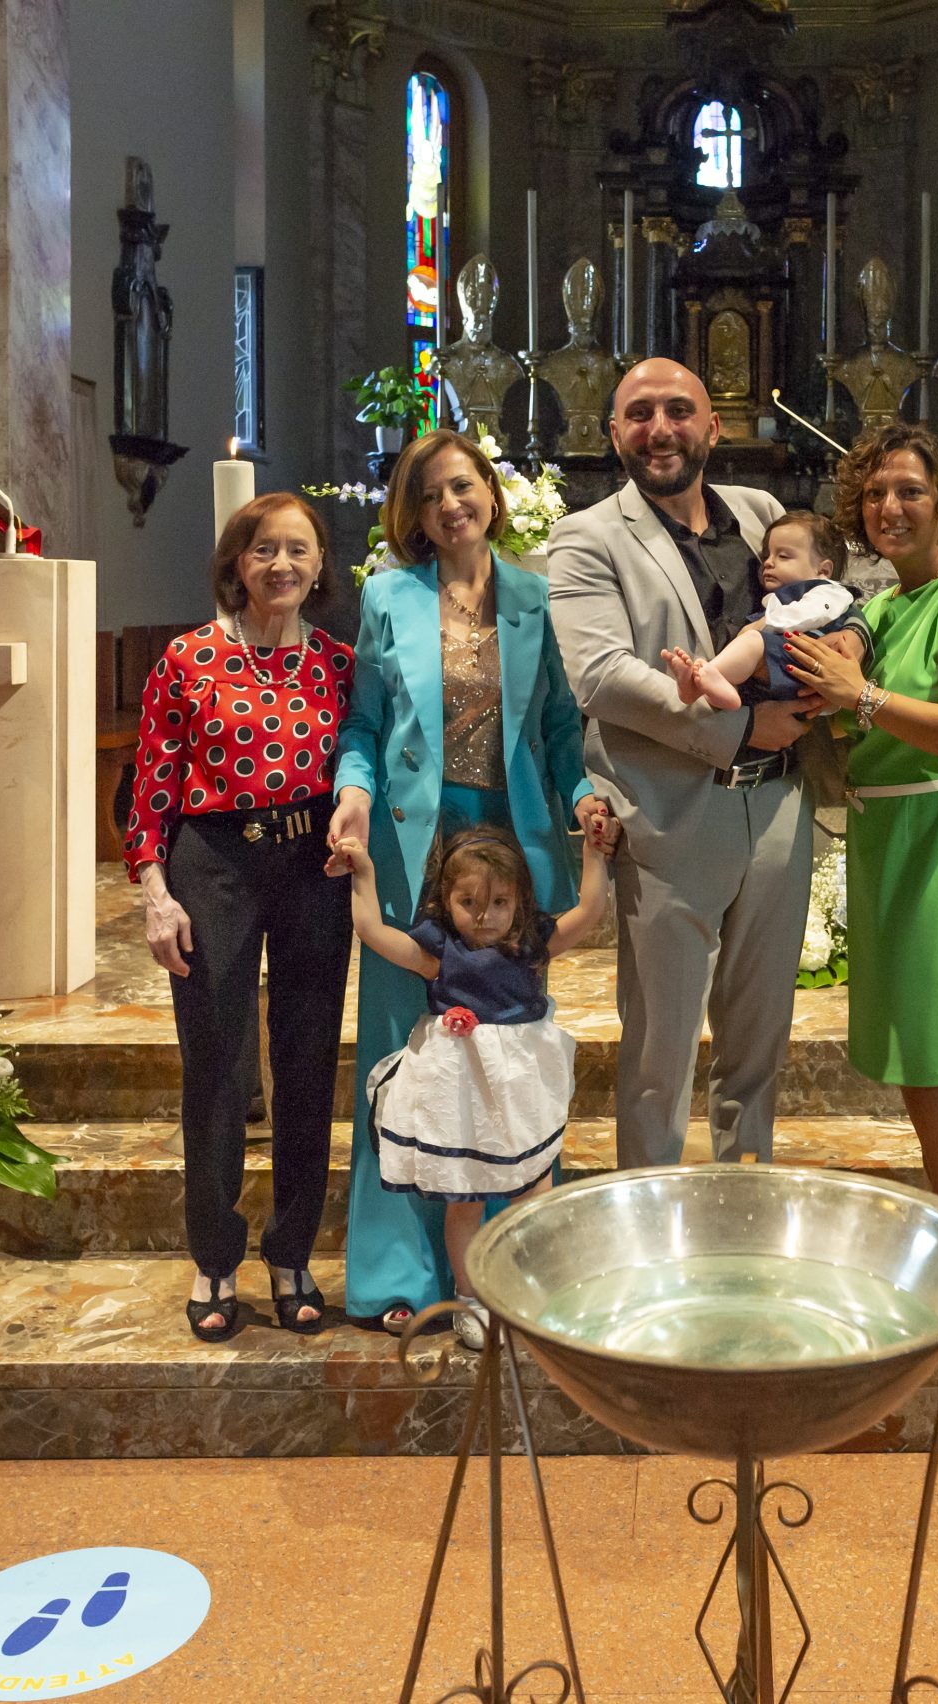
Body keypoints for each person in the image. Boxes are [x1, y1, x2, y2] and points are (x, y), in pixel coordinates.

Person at [326, 428, 614, 1331]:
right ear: (413, 516)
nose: (450, 505)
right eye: (430, 495)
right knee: (401, 1054)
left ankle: (509, 1267)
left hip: (510, 852)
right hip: (413, 844)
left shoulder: (533, 595)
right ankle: (400, 1274)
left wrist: (584, 794)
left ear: (491, 493)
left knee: (505, 1055)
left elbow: (559, 728)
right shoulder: (388, 594)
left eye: (463, 486)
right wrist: (352, 794)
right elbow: (363, 725)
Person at [548, 359, 815, 1169]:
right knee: (659, 1059)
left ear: (713, 426)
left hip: (779, 809)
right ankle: (648, 1224)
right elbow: (601, 676)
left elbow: (816, 612)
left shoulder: (760, 514)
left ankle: (746, 1203)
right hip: (667, 816)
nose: (659, 429)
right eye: (639, 414)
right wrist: (740, 729)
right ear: (614, 433)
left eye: (677, 410)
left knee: (759, 1042)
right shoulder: (587, 536)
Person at [780, 423, 938, 1215]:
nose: (891, 507)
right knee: (918, 1057)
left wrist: (860, 697)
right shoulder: (884, 606)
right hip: (888, 835)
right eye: (876, 492)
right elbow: (853, 712)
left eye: (911, 491)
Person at [126, 491, 355, 1341]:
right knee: (217, 1064)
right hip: (214, 862)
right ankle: (215, 1258)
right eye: (264, 550)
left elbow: (358, 763)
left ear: (320, 566)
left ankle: (291, 1251)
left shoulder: (338, 663)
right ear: (237, 563)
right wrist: (155, 891)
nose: (281, 565)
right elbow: (152, 782)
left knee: (307, 1060)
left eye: (298, 550)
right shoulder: (188, 658)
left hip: (312, 865)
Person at [338, 824, 611, 1349]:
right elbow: (371, 930)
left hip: (520, 1092)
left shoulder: (531, 947)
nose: (484, 915)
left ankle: (525, 1291)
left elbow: (590, 910)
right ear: (446, 901)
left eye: (499, 902)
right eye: (469, 902)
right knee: (464, 1200)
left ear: (520, 901)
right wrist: (364, 873)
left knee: (533, 1194)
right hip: (460, 1097)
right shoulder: (441, 953)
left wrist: (594, 854)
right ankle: (470, 1299)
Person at [660, 510, 863, 713]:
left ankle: (699, 682)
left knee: (752, 641)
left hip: (806, 660)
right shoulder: (780, 597)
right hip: (784, 666)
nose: (768, 562)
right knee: (743, 660)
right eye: (766, 556)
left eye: (783, 556)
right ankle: (717, 692)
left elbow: (811, 613)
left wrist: (762, 624)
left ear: (823, 570)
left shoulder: (828, 591)